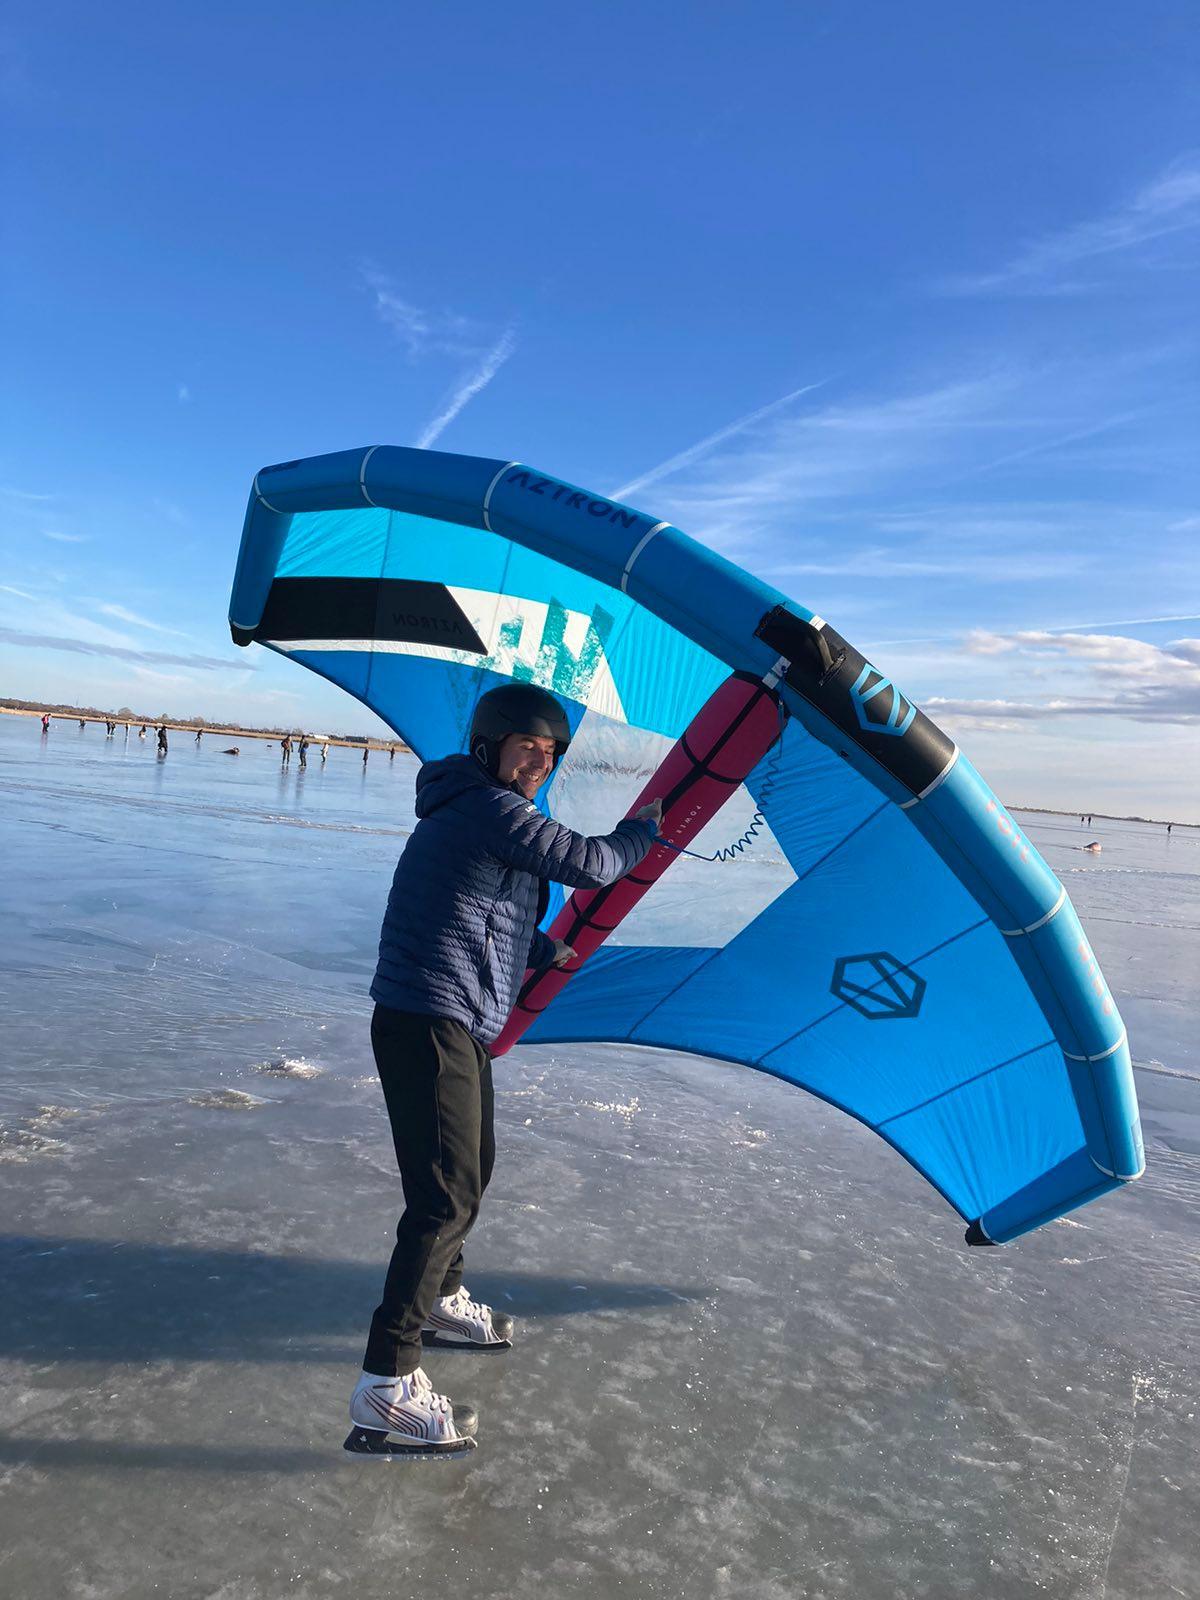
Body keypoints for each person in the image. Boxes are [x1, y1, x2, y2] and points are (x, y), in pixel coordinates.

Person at [346, 683, 662, 1457]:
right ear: (490, 749)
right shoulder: (487, 807)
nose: (537, 766)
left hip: (450, 1022)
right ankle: (386, 1383)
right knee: (443, 1195)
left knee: (472, 1170)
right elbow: (590, 864)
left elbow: (485, 906)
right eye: (526, 750)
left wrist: (540, 948)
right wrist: (644, 831)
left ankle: (442, 1297)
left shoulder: (485, 816)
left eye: (549, 755)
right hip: (427, 1020)